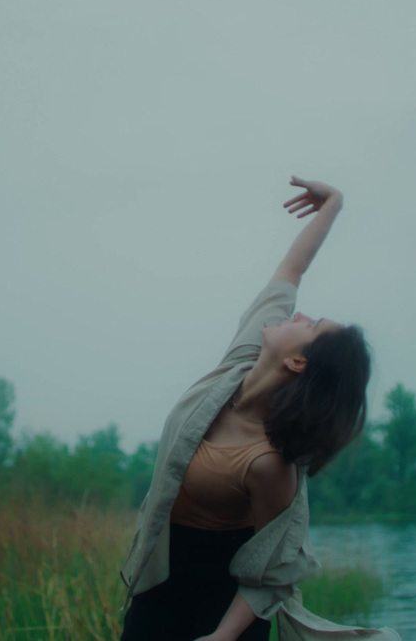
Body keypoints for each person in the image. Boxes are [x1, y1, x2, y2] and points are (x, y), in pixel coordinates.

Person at [118, 177, 400, 641]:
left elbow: (270, 573)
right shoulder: (240, 362)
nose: (301, 314)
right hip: (160, 580)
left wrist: (222, 637)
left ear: (297, 361)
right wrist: (333, 204)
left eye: (312, 325)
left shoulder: (269, 462)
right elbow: (294, 267)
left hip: (224, 605)